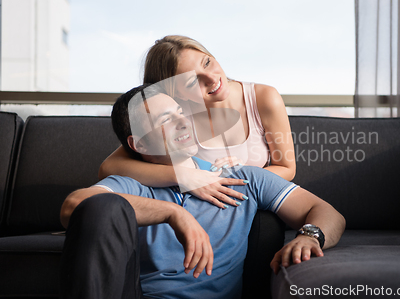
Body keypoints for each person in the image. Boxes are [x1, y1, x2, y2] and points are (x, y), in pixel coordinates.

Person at [60, 84, 345, 299]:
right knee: (104, 206)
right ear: (140, 145)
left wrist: (310, 236)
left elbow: (327, 213)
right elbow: (74, 205)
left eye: (180, 113)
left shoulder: (242, 176)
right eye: (165, 120)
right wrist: (173, 213)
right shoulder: (133, 185)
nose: (183, 122)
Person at [99, 35, 296, 209]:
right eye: (192, 82)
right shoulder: (175, 115)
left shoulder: (264, 98)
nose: (212, 78)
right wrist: (186, 178)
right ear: (175, 93)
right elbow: (109, 167)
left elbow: (287, 168)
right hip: (195, 209)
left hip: (252, 204)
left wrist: (240, 175)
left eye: (207, 62)